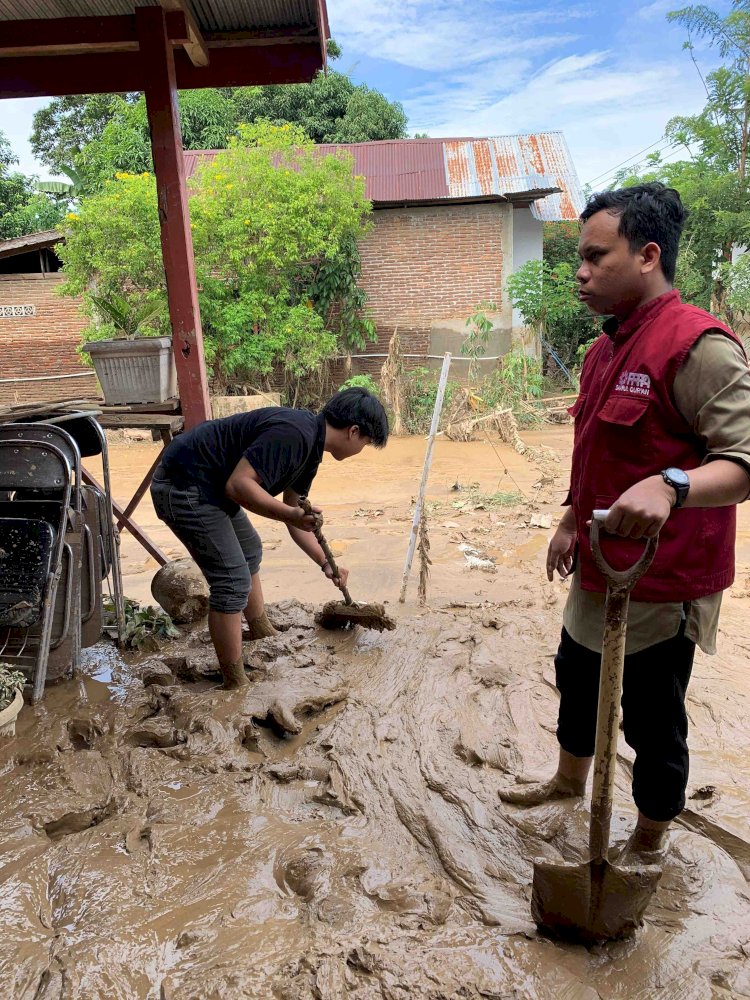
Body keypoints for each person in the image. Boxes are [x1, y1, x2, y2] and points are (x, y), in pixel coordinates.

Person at [499, 183, 750, 863]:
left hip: (665, 580)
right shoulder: (602, 351)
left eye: (593, 256)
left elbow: (744, 462)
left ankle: (649, 839)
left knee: (651, 717)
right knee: (577, 677)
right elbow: (601, 453)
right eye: (579, 257)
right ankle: (566, 781)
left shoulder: (700, 347)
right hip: (600, 563)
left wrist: (674, 486)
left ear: (646, 255)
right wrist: (568, 520)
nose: (579, 271)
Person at [151, 387, 389, 689]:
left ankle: (261, 629)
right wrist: (292, 515)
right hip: (183, 486)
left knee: (250, 549)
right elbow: (239, 486)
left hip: (209, 487)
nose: (362, 449)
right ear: (354, 432)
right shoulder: (294, 433)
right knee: (232, 579)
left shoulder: (311, 448)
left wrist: (324, 562)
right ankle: (234, 680)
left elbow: (292, 510)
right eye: (367, 443)